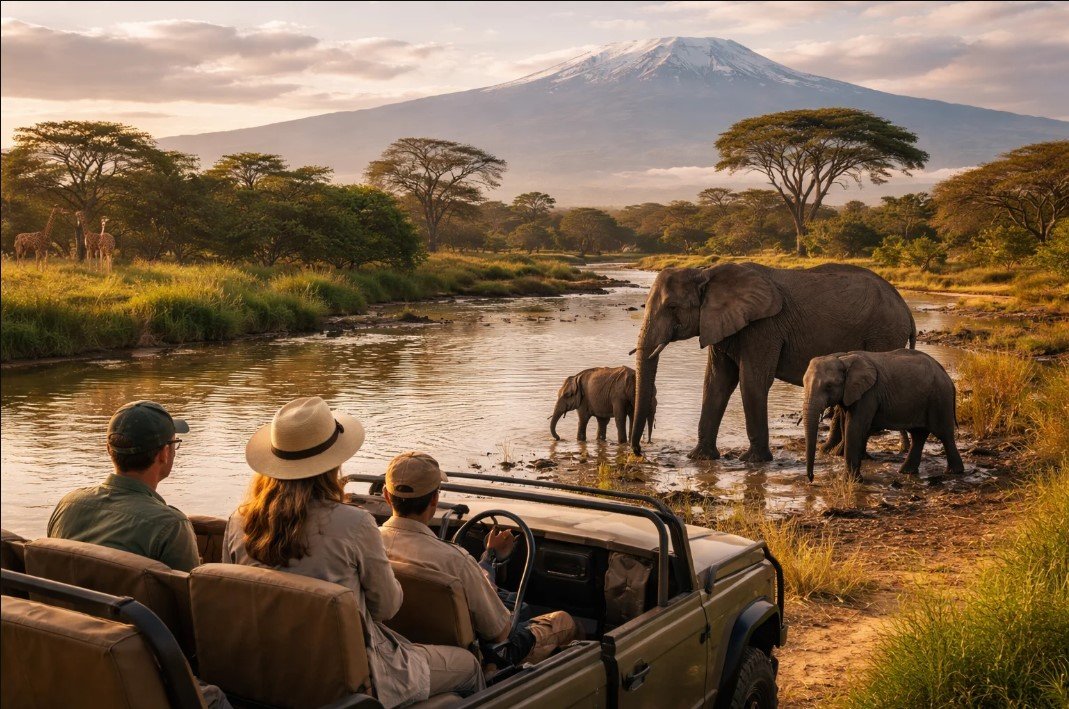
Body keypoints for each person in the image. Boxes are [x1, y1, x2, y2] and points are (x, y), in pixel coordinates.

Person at [222, 397, 483, 708]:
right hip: (349, 676)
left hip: (266, 669)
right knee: (468, 665)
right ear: (333, 463)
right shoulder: (355, 523)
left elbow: (231, 592)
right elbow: (386, 607)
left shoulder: (239, 520)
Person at [379, 452, 577, 669]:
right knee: (564, 621)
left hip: (398, 647)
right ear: (435, 499)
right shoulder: (455, 560)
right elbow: (499, 633)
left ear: (386, 496)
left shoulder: (368, 545)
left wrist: (488, 560)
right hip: (474, 660)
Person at [48, 400, 200, 572]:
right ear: (164, 453)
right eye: (174, 443)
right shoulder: (172, 527)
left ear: (108, 449)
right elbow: (189, 596)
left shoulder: (68, 505)